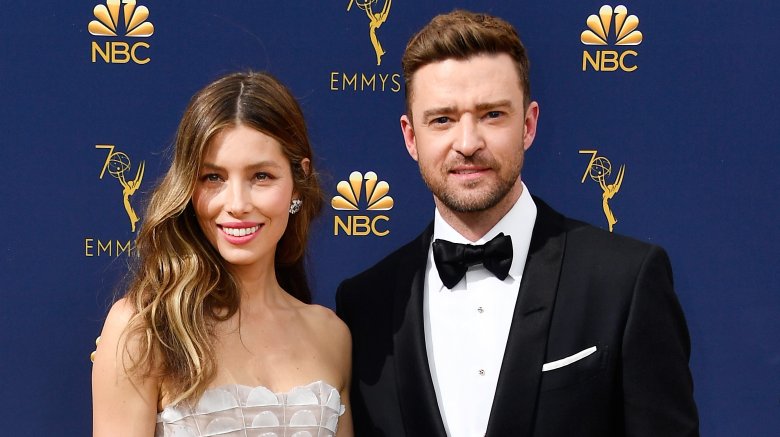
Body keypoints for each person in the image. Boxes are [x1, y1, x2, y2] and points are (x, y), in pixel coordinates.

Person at [336, 10, 698, 437]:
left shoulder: (623, 281)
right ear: (411, 137)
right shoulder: (365, 305)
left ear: (528, 125)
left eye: (492, 115)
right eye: (442, 120)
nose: (468, 143)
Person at [92, 72, 353, 437]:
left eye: (261, 176)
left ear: (298, 181)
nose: (236, 204)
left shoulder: (331, 335)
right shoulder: (146, 328)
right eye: (213, 178)